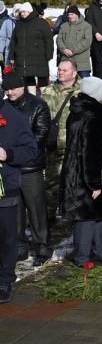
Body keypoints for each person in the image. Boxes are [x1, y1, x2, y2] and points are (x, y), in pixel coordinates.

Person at [59, 77, 102, 265]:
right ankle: (83, 257)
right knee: (87, 217)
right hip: (85, 176)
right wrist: (95, 183)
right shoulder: (93, 118)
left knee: (96, 215)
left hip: (74, 172)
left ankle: (101, 252)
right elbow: (90, 152)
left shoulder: (77, 112)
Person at [4, 71, 50, 265]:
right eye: (6, 89)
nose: (10, 92)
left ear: (22, 86)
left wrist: (14, 151)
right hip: (11, 167)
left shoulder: (38, 106)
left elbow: (40, 136)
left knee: (36, 209)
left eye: (13, 88)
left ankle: (42, 247)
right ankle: (20, 247)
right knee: (16, 211)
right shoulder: (5, 108)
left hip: (31, 167)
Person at [0, 87, 37, 303]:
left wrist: (8, 154)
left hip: (6, 188)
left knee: (6, 236)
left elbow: (31, 150)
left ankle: (4, 279)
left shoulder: (13, 117)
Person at [41, 58, 80, 221]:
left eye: (64, 70)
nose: (60, 72)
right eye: (59, 70)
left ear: (74, 73)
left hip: (73, 147)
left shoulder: (82, 91)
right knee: (51, 184)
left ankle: (72, 218)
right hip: (52, 145)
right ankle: (48, 218)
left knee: (73, 184)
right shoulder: (49, 90)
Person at [9, 2, 53, 92]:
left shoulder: (41, 22)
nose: (22, 14)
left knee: (42, 78)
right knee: (29, 78)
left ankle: (45, 98)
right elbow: (13, 41)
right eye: (21, 12)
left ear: (30, 11)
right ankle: (32, 98)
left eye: (24, 12)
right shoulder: (19, 24)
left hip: (40, 57)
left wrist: (49, 54)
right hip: (25, 57)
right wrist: (12, 56)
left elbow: (48, 39)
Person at [56, 6, 93, 77]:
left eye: (72, 14)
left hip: (81, 62)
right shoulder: (64, 26)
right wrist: (64, 50)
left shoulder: (86, 26)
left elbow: (87, 41)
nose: (70, 16)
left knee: (85, 85)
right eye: (68, 14)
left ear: (77, 15)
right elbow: (59, 39)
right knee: (67, 85)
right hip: (66, 60)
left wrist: (73, 51)